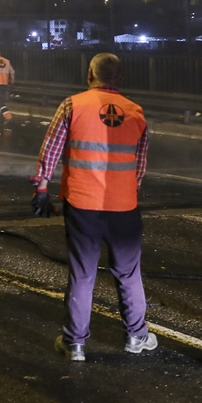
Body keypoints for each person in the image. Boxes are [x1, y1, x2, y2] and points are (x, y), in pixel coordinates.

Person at [31, 52, 155, 362]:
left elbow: (51, 149)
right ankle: (137, 336)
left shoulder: (73, 105)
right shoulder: (136, 112)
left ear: (90, 75)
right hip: (125, 207)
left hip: (83, 204)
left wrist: (42, 187)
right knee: (128, 274)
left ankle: (75, 344)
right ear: (120, 78)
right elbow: (139, 169)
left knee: (82, 274)